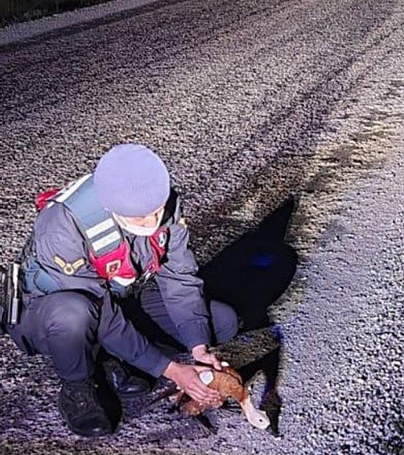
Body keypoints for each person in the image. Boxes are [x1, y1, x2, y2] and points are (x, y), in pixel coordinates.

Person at [8, 143, 238, 438]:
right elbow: (102, 315)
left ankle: (117, 355)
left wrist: (198, 348)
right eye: (138, 218)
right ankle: (78, 387)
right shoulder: (62, 224)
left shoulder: (163, 201)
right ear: (110, 206)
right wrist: (169, 369)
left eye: (155, 212)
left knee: (221, 321)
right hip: (49, 311)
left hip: (118, 295)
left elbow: (180, 278)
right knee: (74, 315)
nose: (151, 222)